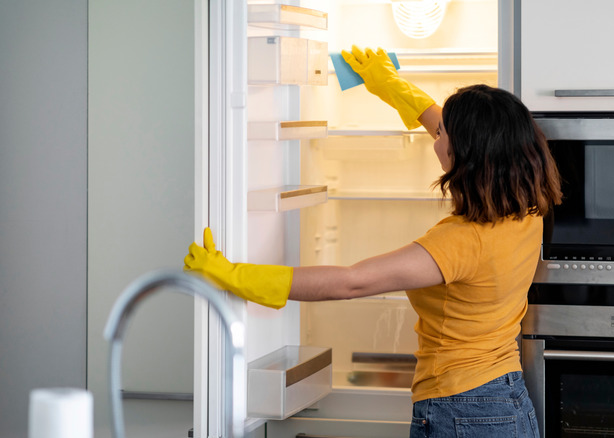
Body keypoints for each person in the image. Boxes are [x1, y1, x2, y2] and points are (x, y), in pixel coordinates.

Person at [185, 46, 562, 438]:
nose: (437, 134)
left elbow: (352, 281)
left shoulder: (460, 243)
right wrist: (389, 84)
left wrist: (235, 275)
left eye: (444, 133)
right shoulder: (529, 207)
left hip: (462, 407)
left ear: (465, 153)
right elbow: (438, 120)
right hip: (508, 399)